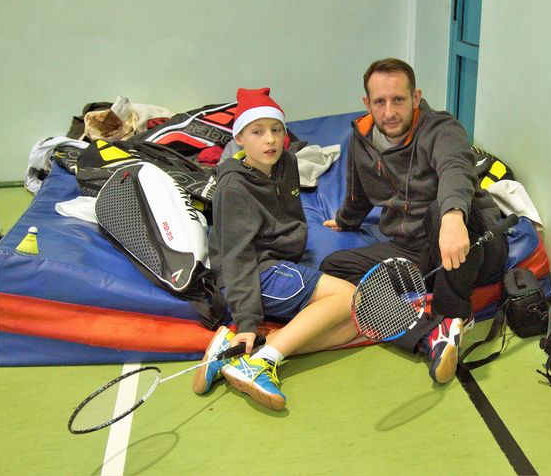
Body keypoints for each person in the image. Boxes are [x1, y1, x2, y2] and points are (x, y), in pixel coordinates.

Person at [320, 58, 508, 384]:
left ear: (416, 97)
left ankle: (454, 314)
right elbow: (358, 194)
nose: (389, 112)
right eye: (380, 102)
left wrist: (453, 216)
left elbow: (455, 169)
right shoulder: (362, 140)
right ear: (367, 103)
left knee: (440, 210)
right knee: (334, 269)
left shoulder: (442, 129)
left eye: (398, 100)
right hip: (413, 249)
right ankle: (428, 334)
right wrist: (345, 221)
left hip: (470, 242)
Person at [192, 87, 358, 411]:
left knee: (349, 327)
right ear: (239, 138)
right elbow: (237, 257)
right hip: (256, 271)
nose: (269, 140)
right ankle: (261, 362)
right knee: (348, 297)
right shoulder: (234, 187)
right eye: (257, 132)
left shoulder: (288, 163)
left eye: (276, 130)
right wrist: (247, 322)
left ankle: (237, 356)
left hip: (281, 261)